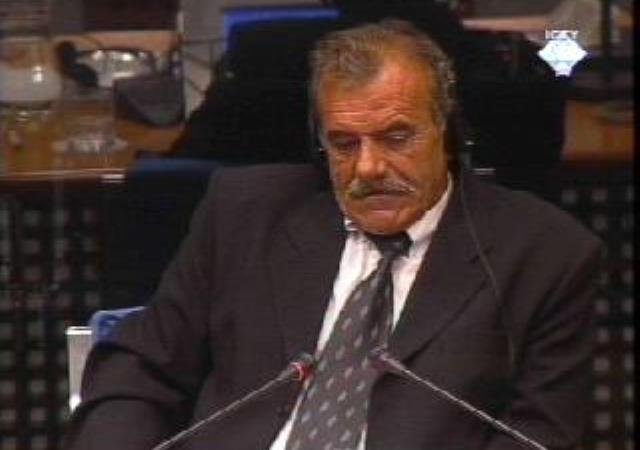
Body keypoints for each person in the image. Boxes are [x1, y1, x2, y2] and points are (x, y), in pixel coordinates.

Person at [64, 19, 601, 450]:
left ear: (449, 132)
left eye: (396, 137)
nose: (368, 167)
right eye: (345, 144)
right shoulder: (244, 213)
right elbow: (138, 368)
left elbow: (539, 437)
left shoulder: (544, 254)